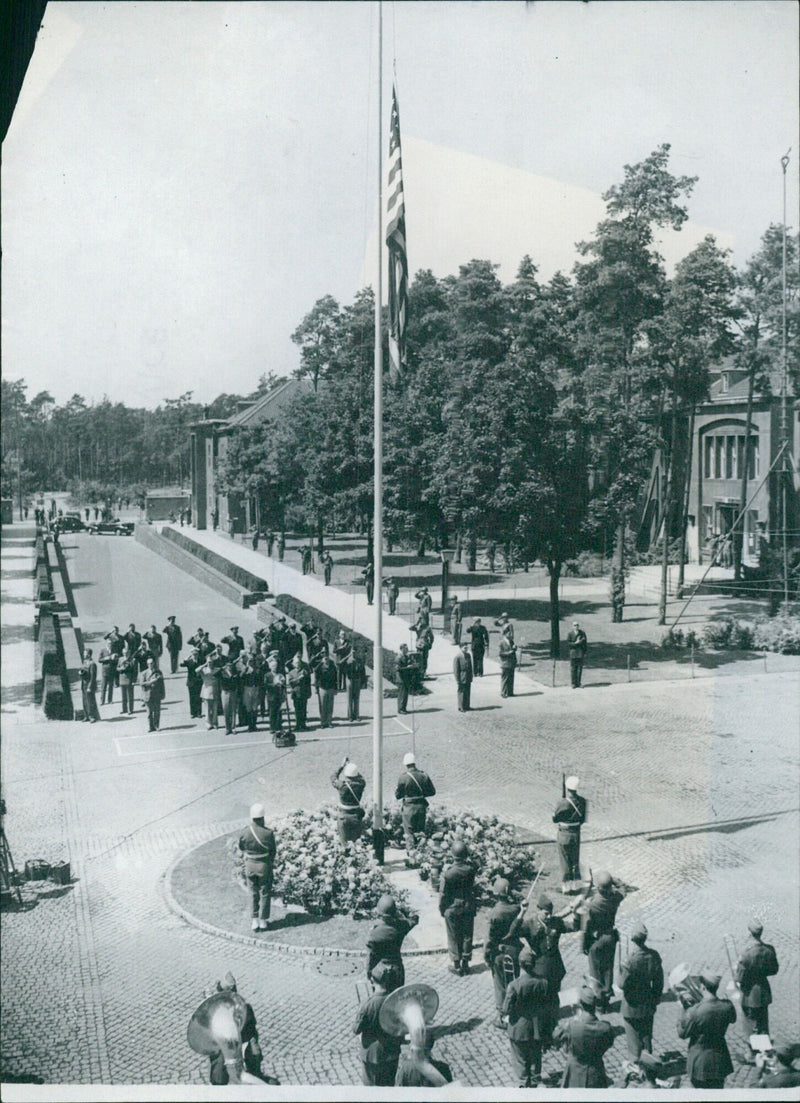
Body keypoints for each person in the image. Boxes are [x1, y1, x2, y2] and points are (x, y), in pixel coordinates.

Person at [522, 894, 572, 1046]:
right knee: (540, 1005)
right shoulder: (530, 924)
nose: (549, 916)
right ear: (538, 910)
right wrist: (521, 912)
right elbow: (513, 931)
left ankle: (552, 1034)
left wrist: (576, 911)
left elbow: (573, 926)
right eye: (545, 913)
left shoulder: (556, 922)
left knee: (553, 1003)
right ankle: (541, 1037)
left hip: (555, 970)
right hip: (538, 972)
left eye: (550, 913)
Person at [677, 971, 737, 1090]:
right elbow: (733, 1018)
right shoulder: (727, 1006)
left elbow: (682, 1033)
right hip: (720, 1058)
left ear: (703, 987)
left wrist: (683, 1010)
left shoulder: (695, 1011)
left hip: (700, 1060)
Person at [502, 946, 551, 1088]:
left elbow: (505, 1009)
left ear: (520, 964)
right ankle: (535, 1079)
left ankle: (524, 1083)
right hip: (537, 1028)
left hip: (519, 1028)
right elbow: (547, 1006)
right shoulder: (543, 983)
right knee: (536, 1056)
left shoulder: (514, 985)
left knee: (520, 1059)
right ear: (534, 963)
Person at [353, 961, 402, 1087]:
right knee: (388, 1088)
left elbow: (356, 1029)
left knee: (371, 1092)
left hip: (373, 1055)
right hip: (392, 1053)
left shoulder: (369, 1004)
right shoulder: (397, 1000)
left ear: (372, 981)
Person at [620, 921, 664, 1060]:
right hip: (648, 1002)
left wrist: (619, 968)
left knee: (633, 1040)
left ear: (633, 939)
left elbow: (621, 984)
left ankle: (636, 1067)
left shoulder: (630, 960)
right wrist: (655, 999)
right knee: (646, 1037)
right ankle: (649, 1063)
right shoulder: (654, 955)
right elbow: (659, 982)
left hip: (631, 1005)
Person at [554, 987, 615, 1087]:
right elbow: (608, 1043)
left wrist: (571, 1021)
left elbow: (556, 1037)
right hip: (596, 1071)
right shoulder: (605, 1028)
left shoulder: (572, 1026)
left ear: (580, 1005)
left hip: (575, 1072)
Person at [582, 870, 625, 1011]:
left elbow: (585, 926)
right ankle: (606, 997)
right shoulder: (616, 897)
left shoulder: (593, 903)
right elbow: (623, 887)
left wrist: (583, 944)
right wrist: (614, 880)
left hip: (596, 939)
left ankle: (599, 1001)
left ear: (598, 887)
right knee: (608, 969)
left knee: (595, 971)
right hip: (610, 937)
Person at [485, 878, 524, 1028]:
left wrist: (487, 955)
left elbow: (489, 939)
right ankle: (514, 1009)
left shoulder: (494, 912)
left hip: (499, 953)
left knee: (500, 985)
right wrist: (512, 891)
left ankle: (502, 1016)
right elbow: (523, 900)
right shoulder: (516, 909)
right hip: (515, 951)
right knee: (513, 980)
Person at [439, 839, 477, 976]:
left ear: (452, 854)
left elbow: (443, 894)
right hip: (468, 905)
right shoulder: (471, 870)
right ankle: (466, 962)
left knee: (453, 936)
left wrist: (442, 909)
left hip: (453, 907)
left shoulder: (448, 873)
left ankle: (456, 964)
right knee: (467, 934)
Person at [736, 920, 779, 1036]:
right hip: (764, 991)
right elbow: (774, 970)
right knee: (763, 1024)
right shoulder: (769, 950)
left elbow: (739, 978)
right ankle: (764, 1050)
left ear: (749, 933)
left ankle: (752, 1051)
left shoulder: (746, 953)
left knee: (750, 1025)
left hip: (749, 993)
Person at [238, 803, 276, 932]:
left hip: (250, 866)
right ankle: (263, 921)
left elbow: (241, 847)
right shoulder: (268, 833)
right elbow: (273, 851)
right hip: (264, 866)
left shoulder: (245, 832)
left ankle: (254, 921)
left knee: (253, 893)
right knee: (265, 893)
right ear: (262, 817)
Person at [366, 894, 419, 986]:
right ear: (394, 912)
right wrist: (402, 911)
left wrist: (368, 972)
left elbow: (370, 956)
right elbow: (414, 919)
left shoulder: (374, 933)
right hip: (397, 970)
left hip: (380, 971)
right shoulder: (401, 926)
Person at [394, 752, 436, 857]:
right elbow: (432, 792)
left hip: (408, 808)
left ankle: (412, 858)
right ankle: (421, 855)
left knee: (409, 834)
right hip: (421, 807)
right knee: (420, 832)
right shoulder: (423, 775)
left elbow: (398, 795)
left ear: (406, 764)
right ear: (414, 763)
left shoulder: (403, 778)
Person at [552, 775, 586, 891]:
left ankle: (566, 886)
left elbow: (555, 819)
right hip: (576, 833)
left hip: (564, 833)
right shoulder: (582, 801)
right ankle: (576, 884)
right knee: (574, 859)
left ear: (567, 788)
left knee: (564, 859)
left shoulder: (563, 803)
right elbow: (582, 820)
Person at [331, 757, 366, 844]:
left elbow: (333, 777)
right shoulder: (361, 784)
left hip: (344, 816)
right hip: (356, 816)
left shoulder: (342, 786)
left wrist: (342, 766)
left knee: (344, 844)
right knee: (356, 843)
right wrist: (352, 768)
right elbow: (361, 778)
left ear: (346, 775)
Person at [315, 644, 338, 728]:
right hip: (322, 688)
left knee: (330, 706)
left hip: (331, 687)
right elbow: (315, 672)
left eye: (327, 656)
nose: (326, 658)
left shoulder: (332, 666)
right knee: (322, 706)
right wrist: (320, 663)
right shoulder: (320, 666)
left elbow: (336, 677)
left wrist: (336, 688)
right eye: (324, 656)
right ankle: (322, 722)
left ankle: (329, 722)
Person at [287, 653, 311, 732]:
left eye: (299, 663)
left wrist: (309, 692)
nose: (298, 664)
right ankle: (297, 724)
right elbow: (291, 683)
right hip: (296, 693)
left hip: (304, 692)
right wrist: (298, 678)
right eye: (296, 663)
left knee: (304, 709)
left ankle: (303, 724)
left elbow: (308, 682)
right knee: (297, 710)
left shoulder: (304, 671)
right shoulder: (291, 672)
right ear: (294, 664)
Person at [199, 649, 222, 730]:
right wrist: (204, 664)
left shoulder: (216, 669)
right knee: (207, 709)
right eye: (209, 662)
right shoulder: (204, 670)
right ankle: (208, 724)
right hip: (206, 691)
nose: (210, 664)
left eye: (211, 662)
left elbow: (222, 669)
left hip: (215, 690)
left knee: (215, 709)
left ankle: (215, 723)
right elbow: (196, 670)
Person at [140, 657, 165, 732]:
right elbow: (141, 683)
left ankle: (156, 726)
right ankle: (150, 727)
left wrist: (163, 694)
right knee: (149, 713)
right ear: (147, 664)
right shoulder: (144, 673)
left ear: (154, 663)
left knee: (157, 711)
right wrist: (150, 682)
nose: (150, 665)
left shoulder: (158, 672)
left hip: (156, 694)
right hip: (147, 694)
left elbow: (162, 684)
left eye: (151, 663)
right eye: (149, 664)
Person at [264, 657, 286, 737]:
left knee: (279, 712)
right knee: (272, 712)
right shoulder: (267, 675)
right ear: (270, 667)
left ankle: (279, 726)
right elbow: (265, 685)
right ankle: (272, 727)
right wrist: (274, 685)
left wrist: (282, 684)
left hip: (279, 695)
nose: (275, 668)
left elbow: (283, 685)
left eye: (276, 666)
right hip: (271, 696)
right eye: (273, 666)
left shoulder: (280, 675)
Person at [220, 657, 241, 735]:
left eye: (231, 665)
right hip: (225, 692)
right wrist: (222, 668)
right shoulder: (222, 672)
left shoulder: (235, 672)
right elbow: (215, 675)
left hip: (233, 692)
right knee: (226, 710)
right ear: (226, 666)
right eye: (228, 665)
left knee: (233, 710)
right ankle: (227, 728)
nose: (230, 667)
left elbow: (238, 682)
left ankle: (233, 727)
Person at [345, 647, 367, 722]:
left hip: (357, 680)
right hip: (350, 680)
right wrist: (347, 660)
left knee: (356, 699)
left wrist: (363, 682)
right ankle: (350, 716)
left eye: (355, 652)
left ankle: (357, 715)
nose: (354, 654)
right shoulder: (348, 661)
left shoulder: (359, 661)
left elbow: (363, 671)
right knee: (350, 699)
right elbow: (341, 667)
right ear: (350, 653)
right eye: (352, 652)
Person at [181, 646, 204, 719]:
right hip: (191, 682)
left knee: (199, 697)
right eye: (194, 654)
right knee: (192, 698)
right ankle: (193, 713)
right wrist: (187, 658)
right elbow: (181, 664)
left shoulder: (201, 661)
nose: (195, 656)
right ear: (192, 655)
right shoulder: (189, 661)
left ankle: (199, 712)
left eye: (196, 654)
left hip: (199, 681)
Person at [80, 649, 100, 723]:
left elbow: (93, 677)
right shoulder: (85, 662)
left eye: (85, 653)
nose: (84, 655)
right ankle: (86, 716)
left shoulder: (92, 664)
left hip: (89, 685)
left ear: (89, 654)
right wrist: (81, 673)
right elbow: (83, 671)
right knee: (85, 701)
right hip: (84, 684)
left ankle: (92, 716)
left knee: (90, 701)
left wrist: (89, 687)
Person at [117, 644, 138, 715]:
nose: (125, 654)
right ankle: (124, 709)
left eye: (126, 653)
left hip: (129, 679)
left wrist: (134, 680)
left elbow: (135, 671)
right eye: (124, 653)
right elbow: (117, 668)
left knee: (130, 696)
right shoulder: (120, 659)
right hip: (122, 679)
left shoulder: (133, 660)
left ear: (129, 653)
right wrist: (121, 669)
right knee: (123, 696)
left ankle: (130, 709)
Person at [567, 620, 588, 688]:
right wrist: (575, 643)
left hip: (580, 653)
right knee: (573, 668)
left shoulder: (582, 633)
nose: (576, 626)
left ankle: (579, 683)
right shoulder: (570, 634)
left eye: (577, 625)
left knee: (579, 668)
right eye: (575, 625)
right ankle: (573, 683)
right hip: (573, 653)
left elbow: (585, 644)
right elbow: (568, 644)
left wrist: (584, 652)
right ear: (572, 626)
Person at [453, 641, 473, 712]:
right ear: (461, 648)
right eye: (465, 647)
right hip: (462, 676)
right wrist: (457, 679)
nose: (466, 649)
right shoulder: (458, 657)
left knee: (467, 691)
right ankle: (461, 707)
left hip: (468, 676)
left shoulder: (468, 655)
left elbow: (470, 667)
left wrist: (471, 676)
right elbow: (456, 669)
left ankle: (467, 705)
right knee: (461, 692)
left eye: (467, 647)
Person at [498, 627, 518, 698]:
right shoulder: (501, 642)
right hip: (505, 662)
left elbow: (513, 650)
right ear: (505, 634)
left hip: (512, 662)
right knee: (505, 678)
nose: (510, 634)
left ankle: (510, 692)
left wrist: (515, 648)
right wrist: (509, 652)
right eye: (509, 633)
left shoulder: (511, 641)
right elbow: (500, 653)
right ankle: (503, 692)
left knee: (511, 677)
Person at [396, 644, 415, 715]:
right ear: (402, 649)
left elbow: (409, 664)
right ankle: (400, 708)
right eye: (405, 648)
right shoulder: (398, 657)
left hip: (406, 678)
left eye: (407, 648)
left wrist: (412, 665)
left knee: (405, 694)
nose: (407, 650)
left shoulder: (406, 657)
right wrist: (408, 667)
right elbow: (398, 668)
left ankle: (404, 708)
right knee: (402, 694)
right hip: (401, 678)